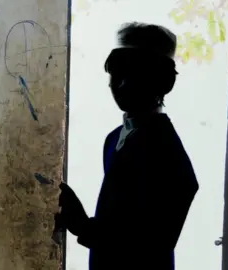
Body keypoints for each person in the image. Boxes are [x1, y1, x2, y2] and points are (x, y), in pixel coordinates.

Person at [59, 22, 199, 270]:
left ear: (162, 82)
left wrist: (83, 226)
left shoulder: (168, 152)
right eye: (117, 71)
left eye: (136, 75)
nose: (122, 84)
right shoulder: (114, 139)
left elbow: (153, 244)